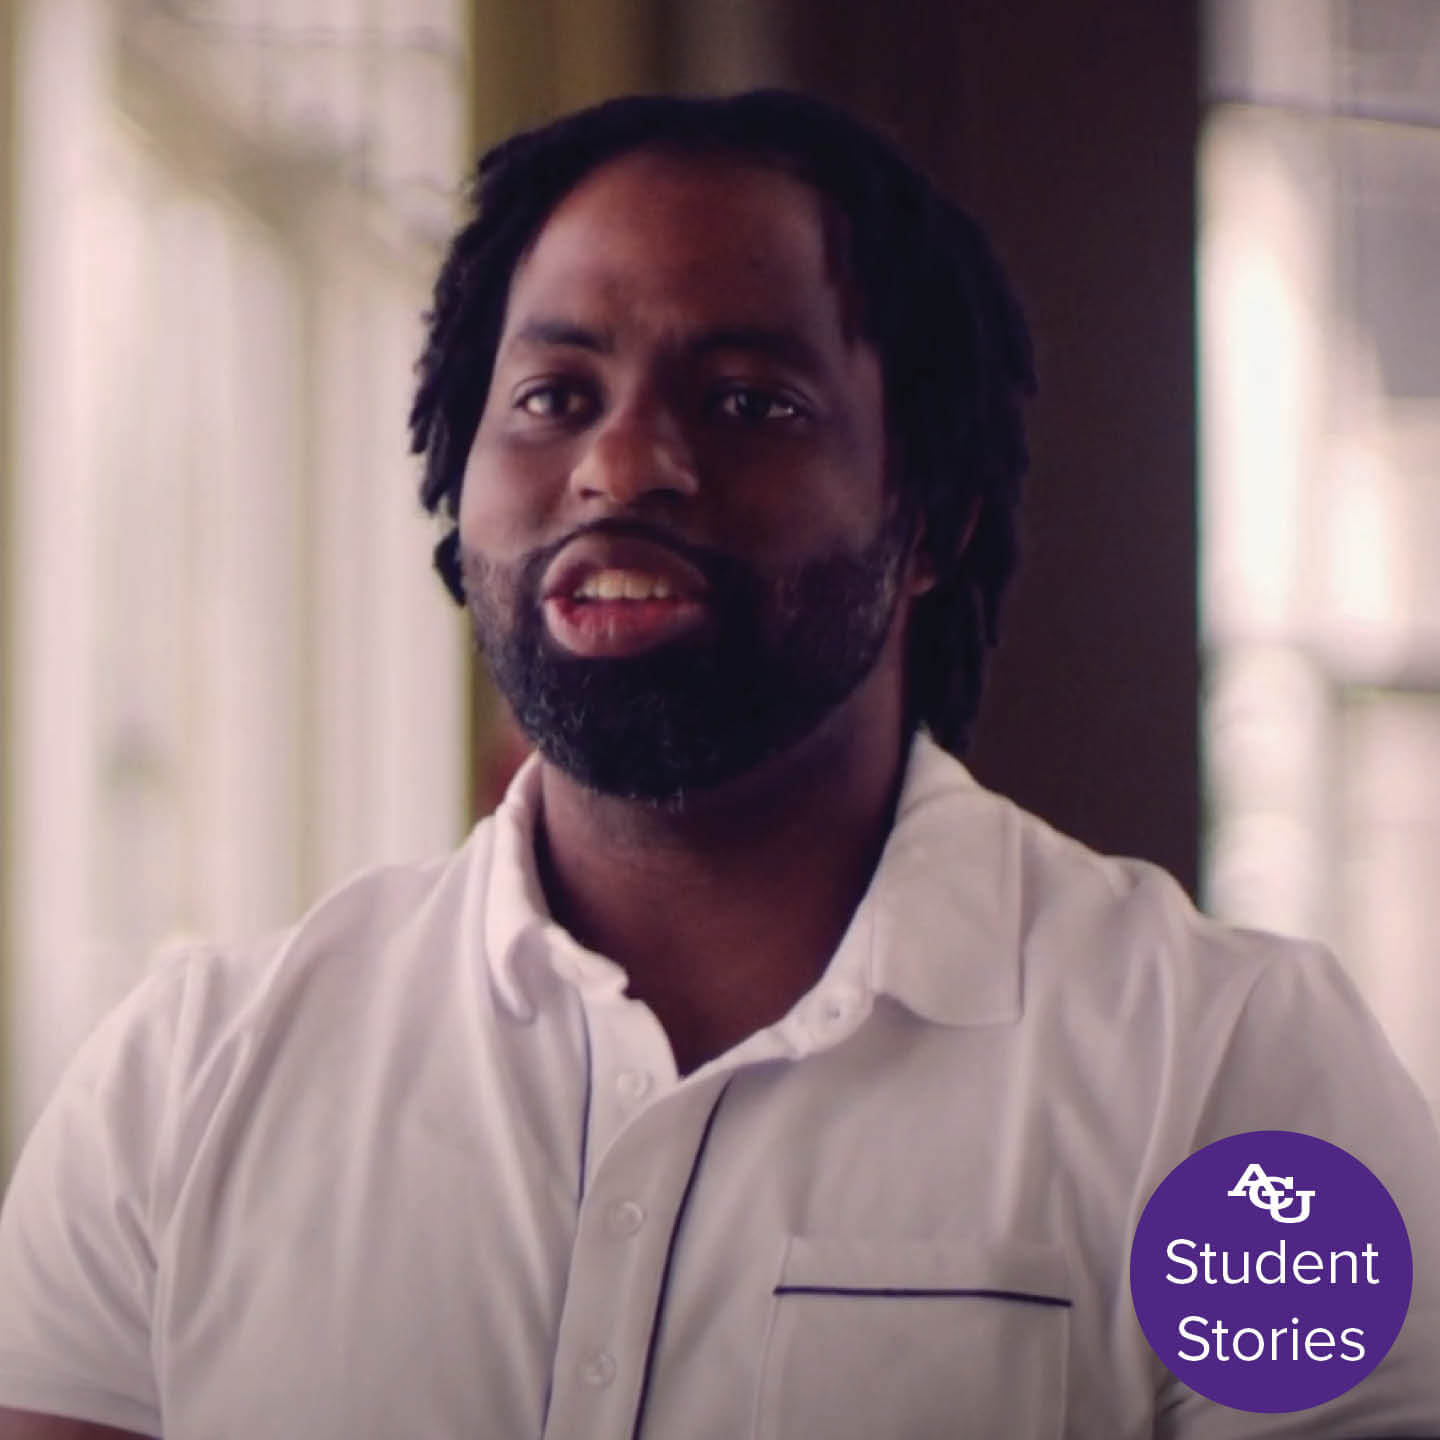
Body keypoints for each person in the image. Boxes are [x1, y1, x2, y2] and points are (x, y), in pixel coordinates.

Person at [0, 90, 1436, 1440]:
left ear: (927, 522)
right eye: (554, 395)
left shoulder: (1231, 1074)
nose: (623, 464)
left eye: (750, 401)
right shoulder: (185, 1081)